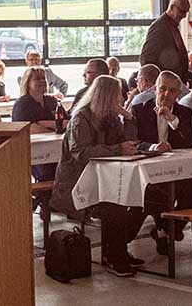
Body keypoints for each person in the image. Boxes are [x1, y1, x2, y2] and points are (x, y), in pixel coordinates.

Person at [49, 76, 142, 277]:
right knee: (114, 206)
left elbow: (127, 142)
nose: (120, 99)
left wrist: (128, 119)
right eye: (117, 96)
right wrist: (118, 149)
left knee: (136, 200)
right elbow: (81, 153)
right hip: (78, 183)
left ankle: (118, 250)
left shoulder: (110, 119)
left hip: (106, 179)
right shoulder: (81, 119)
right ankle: (114, 256)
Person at [130, 71, 192, 254]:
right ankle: (164, 231)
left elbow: (188, 141)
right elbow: (133, 141)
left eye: (172, 91)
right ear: (154, 89)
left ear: (178, 94)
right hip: (147, 169)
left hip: (177, 169)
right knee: (155, 196)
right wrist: (153, 147)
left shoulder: (184, 112)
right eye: (162, 89)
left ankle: (169, 229)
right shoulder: (139, 110)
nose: (166, 94)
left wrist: (171, 119)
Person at [12, 67, 65, 189]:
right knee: (47, 173)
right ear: (28, 82)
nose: (42, 81)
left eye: (43, 78)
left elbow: (66, 122)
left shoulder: (52, 101)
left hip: (57, 147)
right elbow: (28, 129)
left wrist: (43, 123)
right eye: (37, 79)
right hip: (34, 153)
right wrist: (55, 126)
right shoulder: (22, 104)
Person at [139, 0, 191, 83]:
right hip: (166, 85)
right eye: (182, 11)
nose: (184, 16)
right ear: (171, 7)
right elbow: (146, 58)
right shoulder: (159, 27)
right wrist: (157, 83)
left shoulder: (172, 26)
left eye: (186, 12)